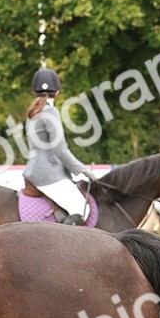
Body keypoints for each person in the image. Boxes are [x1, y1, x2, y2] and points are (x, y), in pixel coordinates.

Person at [20, 67, 97, 225]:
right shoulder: (50, 111)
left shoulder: (33, 112)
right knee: (81, 208)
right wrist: (82, 170)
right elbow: (60, 149)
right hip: (47, 174)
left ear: (34, 91)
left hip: (34, 170)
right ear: (57, 92)